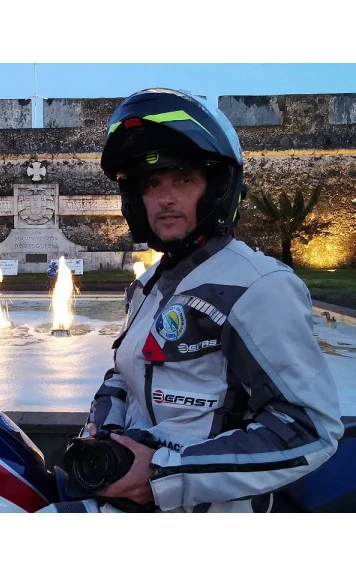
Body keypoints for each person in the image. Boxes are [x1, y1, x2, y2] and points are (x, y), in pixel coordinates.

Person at [79, 88, 343, 513]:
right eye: (152, 184)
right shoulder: (146, 286)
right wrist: (104, 433)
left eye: (183, 179)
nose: (165, 198)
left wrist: (164, 474)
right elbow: (122, 377)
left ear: (218, 187)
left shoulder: (258, 286)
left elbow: (310, 429)